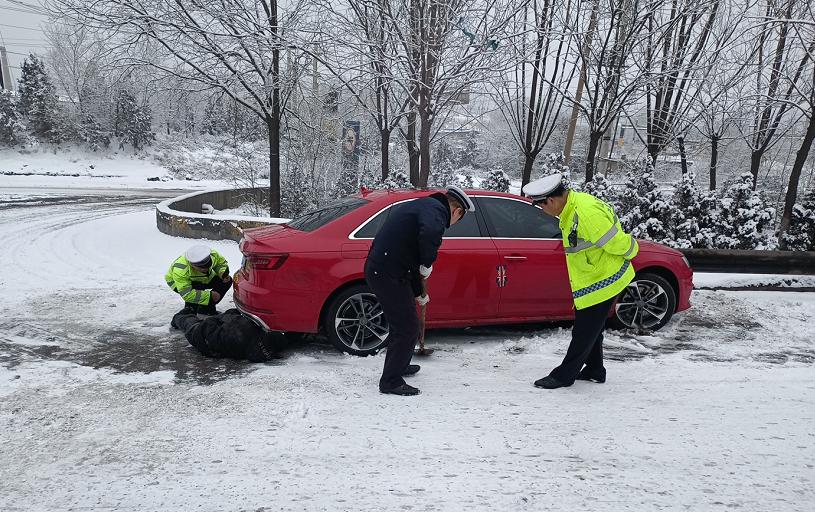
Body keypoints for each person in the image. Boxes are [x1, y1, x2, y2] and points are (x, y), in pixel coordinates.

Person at [523, 173, 638, 389]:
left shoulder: (584, 213)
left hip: (605, 279)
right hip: (592, 278)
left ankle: (563, 376)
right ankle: (595, 370)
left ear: (551, 201)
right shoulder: (573, 207)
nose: (544, 212)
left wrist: (634, 250)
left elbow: (617, 242)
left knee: (584, 330)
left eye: (542, 207)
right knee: (592, 328)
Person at [365, 185, 475, 396]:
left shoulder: (425, 206)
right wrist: (428, 261)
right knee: (406, 327)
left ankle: (401, 365)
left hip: (389, 270)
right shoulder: (436, 211)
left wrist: (419, 293)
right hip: (388, 273)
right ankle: (391, 381)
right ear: (457, 211)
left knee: (406, 324)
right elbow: (430, 234)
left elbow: (410, 257)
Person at [171, 308, 289, 362]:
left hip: (205, 338)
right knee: (196, 324)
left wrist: (220, 317)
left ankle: (179, 317)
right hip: (215, 343)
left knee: (190, 324)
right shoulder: (263, 353)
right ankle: (184, 317)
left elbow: (210, 323)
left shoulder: (245, 326)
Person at [165, 245, 232, 317]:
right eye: (202, 268)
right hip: (177, 283)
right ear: (192, 264)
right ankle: (190, 313)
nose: (205, 269)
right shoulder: (181, 269)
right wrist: (209, 296)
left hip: (204, 278)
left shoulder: (211, 254)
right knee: (196, 289)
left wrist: (222, 273)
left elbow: (220, 263)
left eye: (208, 265)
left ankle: (206, 309)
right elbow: (187, 294)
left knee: (226, 281)